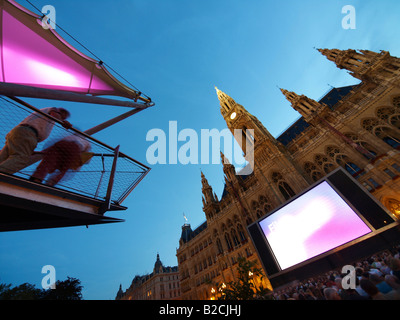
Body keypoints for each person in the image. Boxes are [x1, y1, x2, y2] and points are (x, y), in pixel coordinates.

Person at [0, 107, 71, 175]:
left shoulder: (45, 116)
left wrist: (29, 150)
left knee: (4, 157)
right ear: (61, 112)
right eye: (63, 117)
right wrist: (63, 122)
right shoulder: (54, 110)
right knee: (21, 158)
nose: (63, 118)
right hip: (28, 133)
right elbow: (55, 114)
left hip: (19, 133)